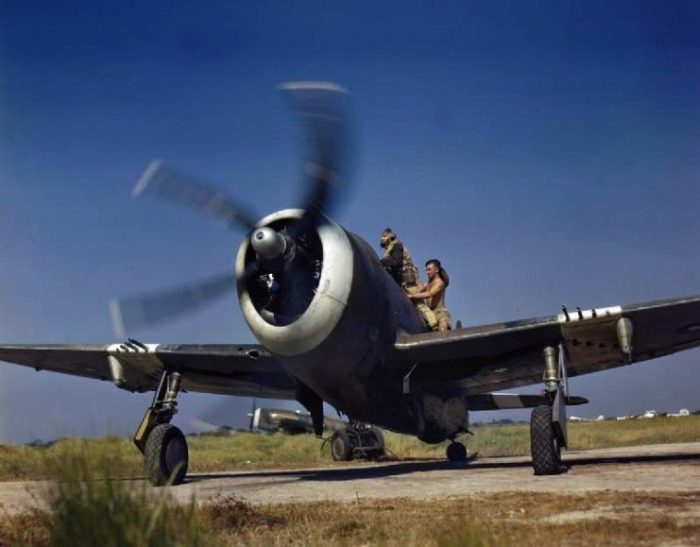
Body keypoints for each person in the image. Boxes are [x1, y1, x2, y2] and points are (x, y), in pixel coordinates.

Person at [408, 259, 452, 332]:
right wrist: (416, 276)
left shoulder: (440, 283)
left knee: (442, 332)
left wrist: (412, 296)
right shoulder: (428, 283)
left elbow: (429, 294)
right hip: (429, 312)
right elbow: (419, 289)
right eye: (426, 270)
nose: (427, 272)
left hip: (440, 312)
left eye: (429, 270)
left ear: (436, 270)